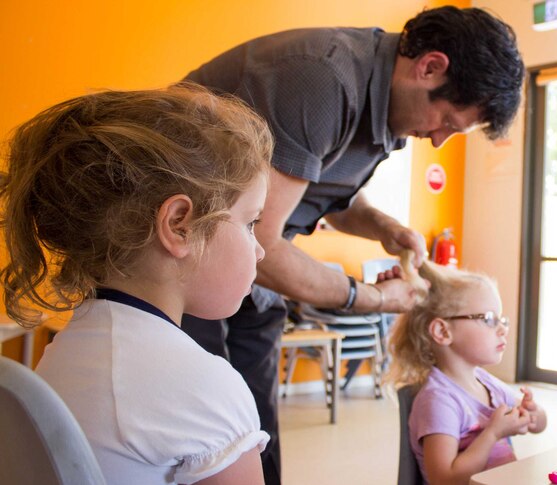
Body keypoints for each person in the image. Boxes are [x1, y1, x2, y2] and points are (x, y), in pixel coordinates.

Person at [180, 6, 525, 482]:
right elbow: (260, 241)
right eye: (447, 120)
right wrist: (372, 299)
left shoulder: (387, 111)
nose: (439, 140)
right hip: (183, 264)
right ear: (430, 67)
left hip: (241, 277)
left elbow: (324, 190)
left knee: (256, 433)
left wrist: (385, 227)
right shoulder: (323, 80)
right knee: (207, 437)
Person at [0, 84, 274, 484]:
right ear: (180, 226)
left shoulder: (61, 355)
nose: (261, 251)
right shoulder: (203, 387)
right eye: (250, 223)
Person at [387, 261, 547, 484]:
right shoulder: (438, 401)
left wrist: (533, 413)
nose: (503, 329)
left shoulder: (486, 383)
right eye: (489, 319)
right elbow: (444, 479)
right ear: (443, 331)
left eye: (502, 320)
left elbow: (539, 425)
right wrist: (492, 434)